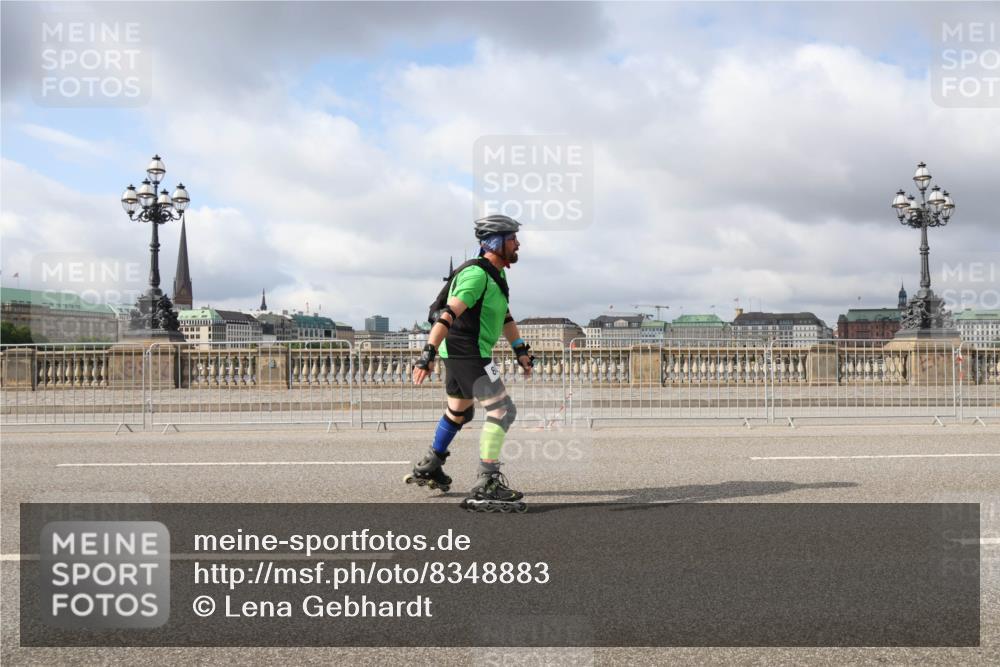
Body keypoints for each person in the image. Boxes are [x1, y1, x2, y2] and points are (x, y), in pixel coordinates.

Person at [405, 214, 534, 513]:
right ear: (496, 243)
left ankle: (430, 464)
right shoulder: (477, 275)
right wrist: (427, 355)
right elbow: (447, 315)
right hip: (467, 352)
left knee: (458, 412)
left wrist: (520, 350)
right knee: (502, 411)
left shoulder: (496, 275)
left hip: (463, 352)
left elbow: (505, 317)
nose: (518, 244)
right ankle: (487, 482)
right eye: (513, 238)